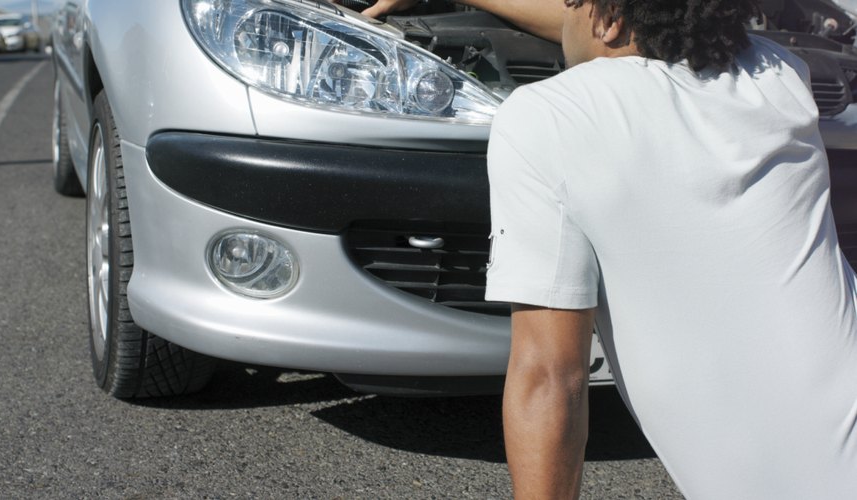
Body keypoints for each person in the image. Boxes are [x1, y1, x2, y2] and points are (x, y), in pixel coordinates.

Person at [367, 0, 857, 498]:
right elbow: (619, 27)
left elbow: (550, 378)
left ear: (606, 17)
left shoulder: (551, 115)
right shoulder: (779, 78)